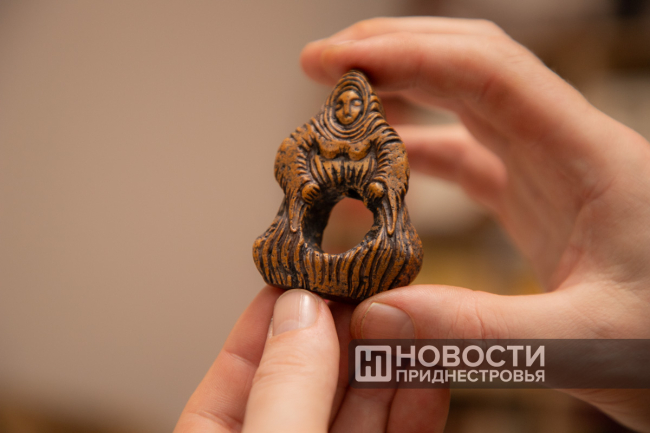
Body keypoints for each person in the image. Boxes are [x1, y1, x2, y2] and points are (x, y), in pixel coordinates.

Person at [174, 17, 650, 433]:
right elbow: (290, 157)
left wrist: (377, 185)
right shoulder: (311, 136)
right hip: (312, 215)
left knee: (391, 250)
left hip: (375, 225)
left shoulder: (381, 139)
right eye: (341, 105)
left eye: (355, 106)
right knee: (287, 238)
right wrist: (309, 180)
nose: (347, 113)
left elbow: (392, 164)